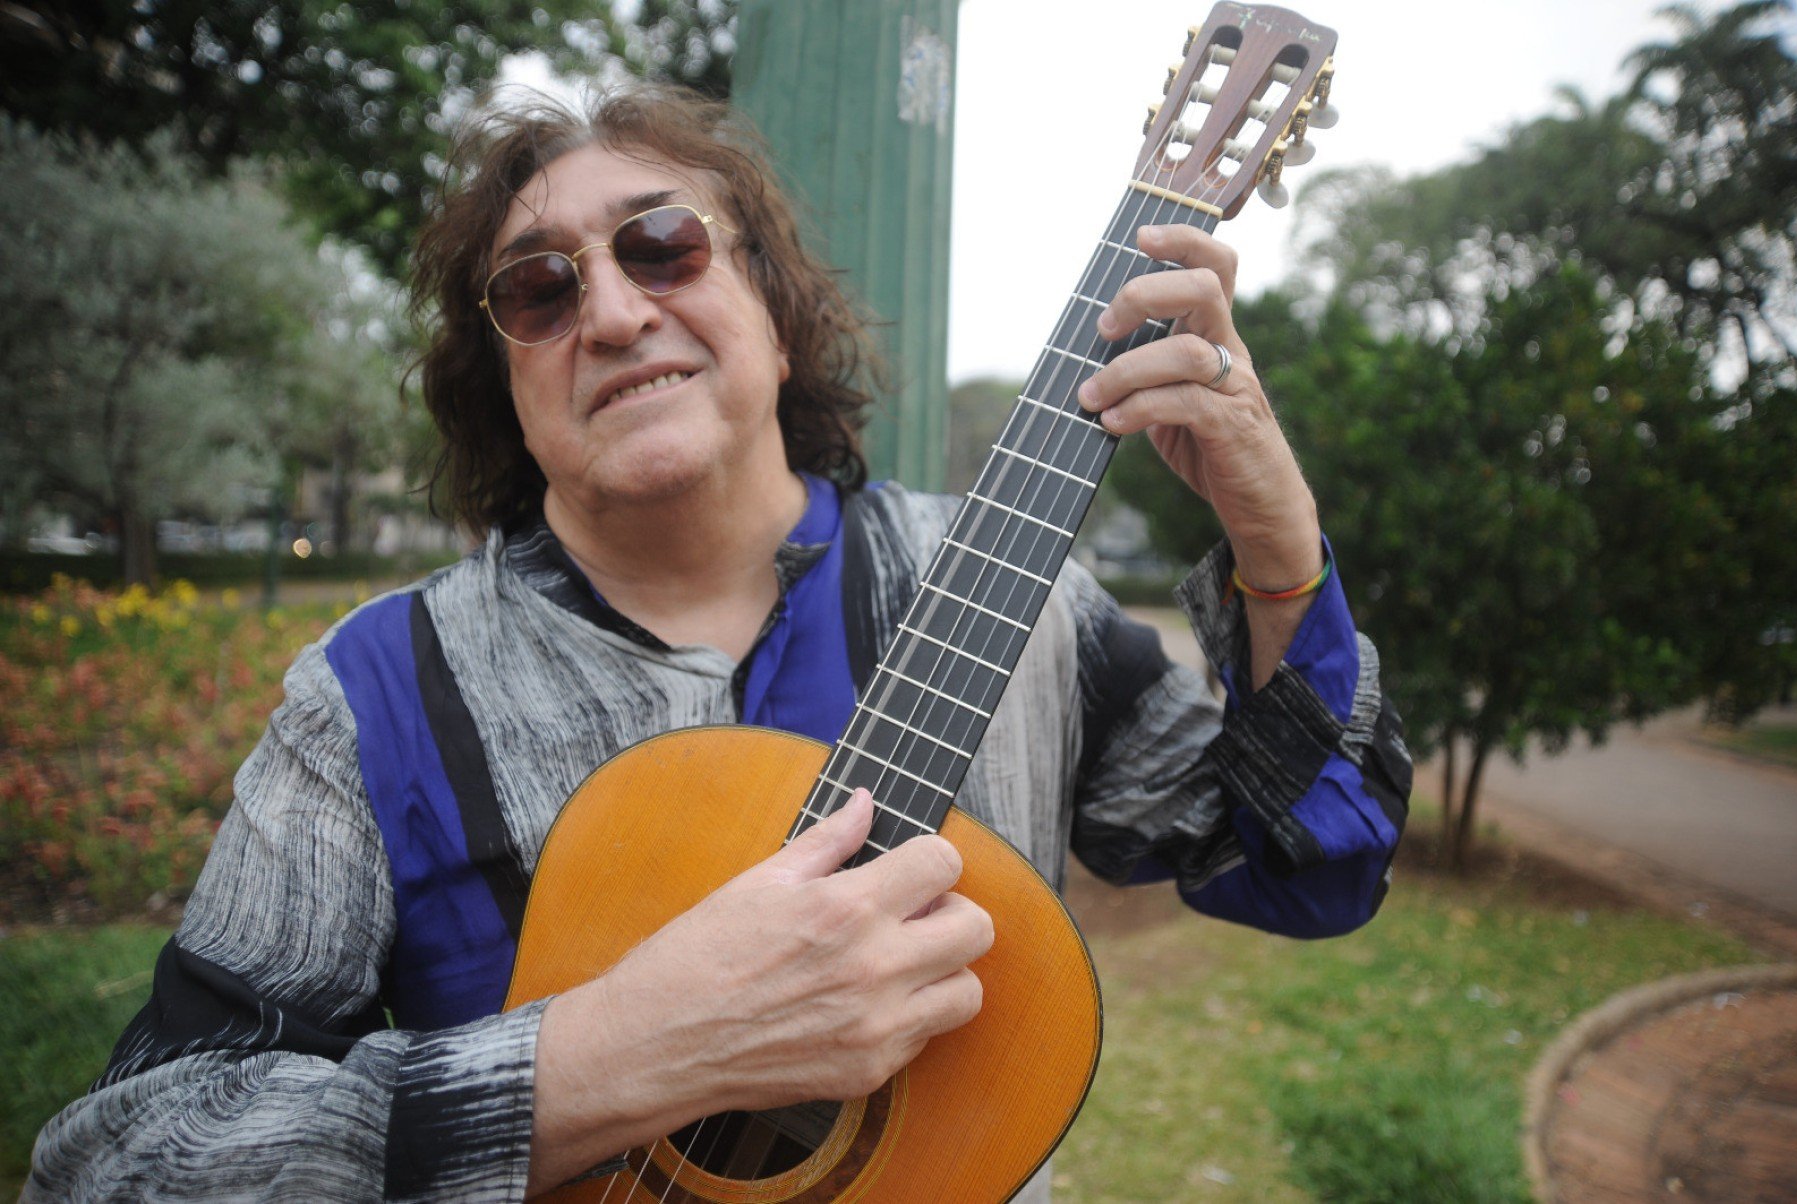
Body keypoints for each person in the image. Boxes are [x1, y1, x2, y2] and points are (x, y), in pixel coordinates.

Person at [28, 85, 1411, 1202]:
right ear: (503, 382)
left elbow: (1310, 868)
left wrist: (1278, 544)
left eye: (662, 244)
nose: (615, 311)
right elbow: (119, 1159)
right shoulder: (376, 693)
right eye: (537, 290)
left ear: (774, 303)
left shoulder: (1018, 598)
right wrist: (600, 1061)